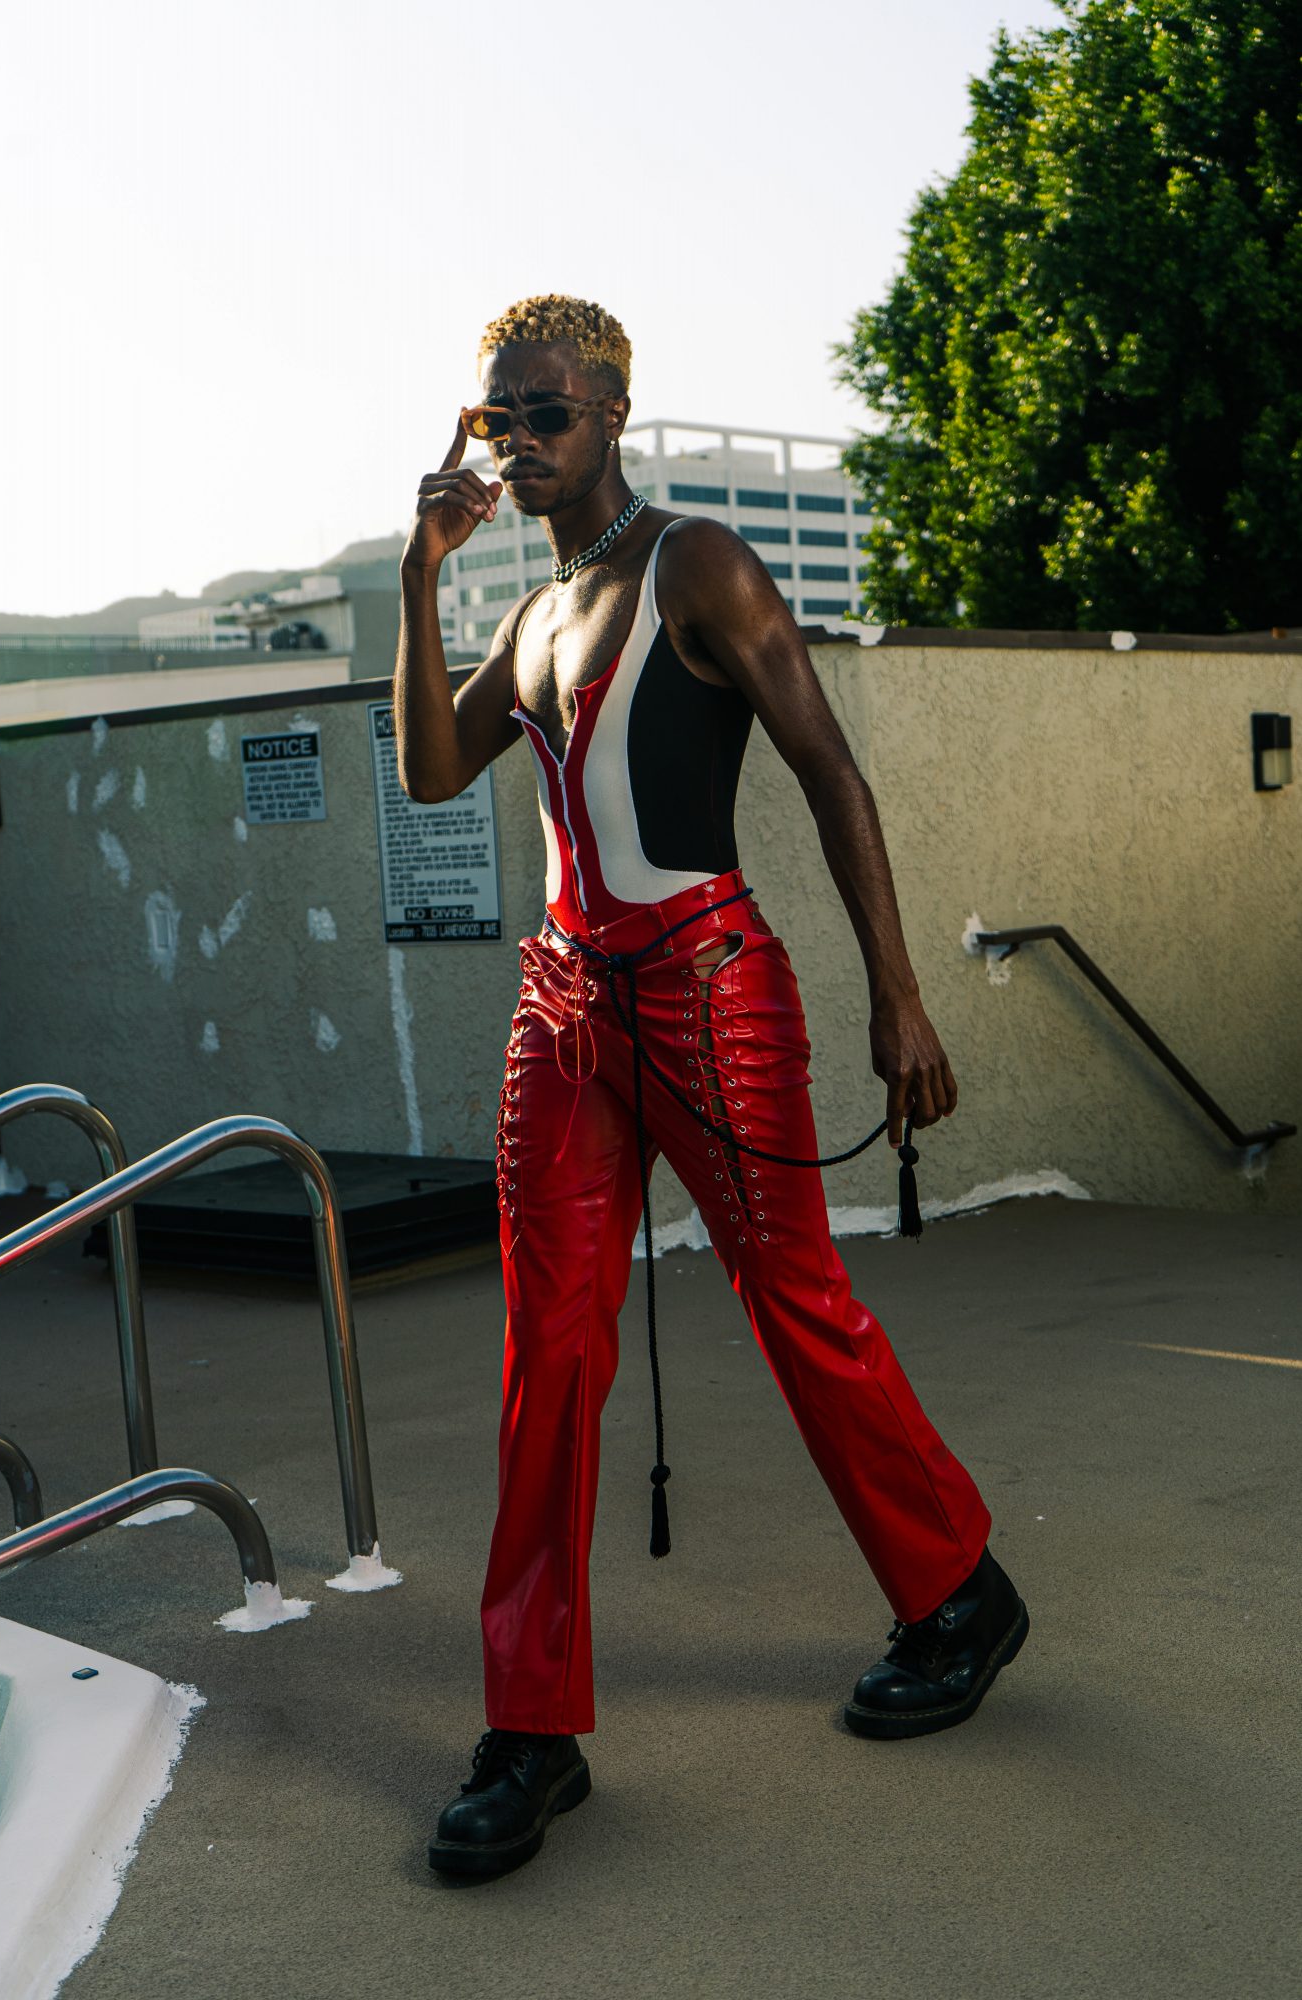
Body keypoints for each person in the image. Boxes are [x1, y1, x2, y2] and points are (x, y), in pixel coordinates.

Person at [394, 294, 1028, 1882]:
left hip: (705, 987)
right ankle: (530, 1729)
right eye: (495, 420)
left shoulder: (698, 565)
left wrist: (897, 992)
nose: (518, 444)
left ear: (611, 412)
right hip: (561, 1009)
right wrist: (416, 576)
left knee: (795, 1300)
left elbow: (829, 771)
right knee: (545, 1352)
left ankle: (956, 1593)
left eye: (545, 413)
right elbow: (428, 770)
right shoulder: (528, 617)